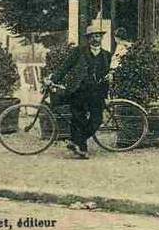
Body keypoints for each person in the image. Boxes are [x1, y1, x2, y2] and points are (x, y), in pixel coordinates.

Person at [46, 19, 112, 160]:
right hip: (79, 90)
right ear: (88, 39)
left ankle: (76, 141)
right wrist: (53, 79)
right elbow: (65, 67)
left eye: (98, 36)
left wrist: (108, 83)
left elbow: (107, 75)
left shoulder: (107, 55)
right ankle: (81, 148)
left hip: (96, 92)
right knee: (78, 119)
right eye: (93, 36)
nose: (96, 38)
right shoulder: (79, 52)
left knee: (97, 120)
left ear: (101, 38)